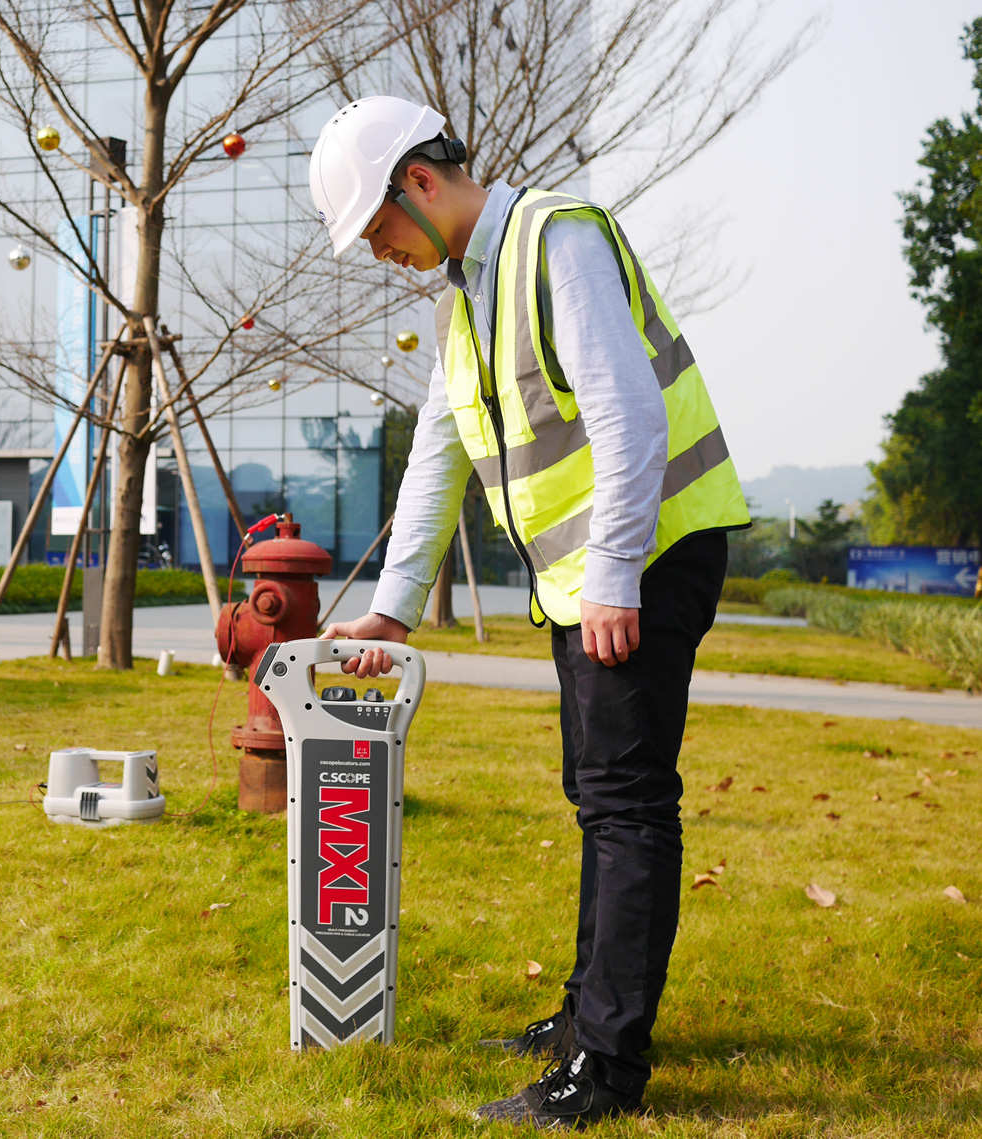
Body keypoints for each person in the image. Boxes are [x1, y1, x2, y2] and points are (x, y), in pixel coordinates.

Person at [309, 97, 749, 1127]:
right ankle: (585, 1016)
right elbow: (438, 452)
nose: (379, 254)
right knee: (597, 792)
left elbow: (628, 411)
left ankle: (602, 1065)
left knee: (625, 799)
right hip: (597, 573)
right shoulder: (470, 292)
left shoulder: (555, 239)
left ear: (418, 183)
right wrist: (392, 610)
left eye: (376, 232)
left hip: (647, 555)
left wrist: (612, 575)